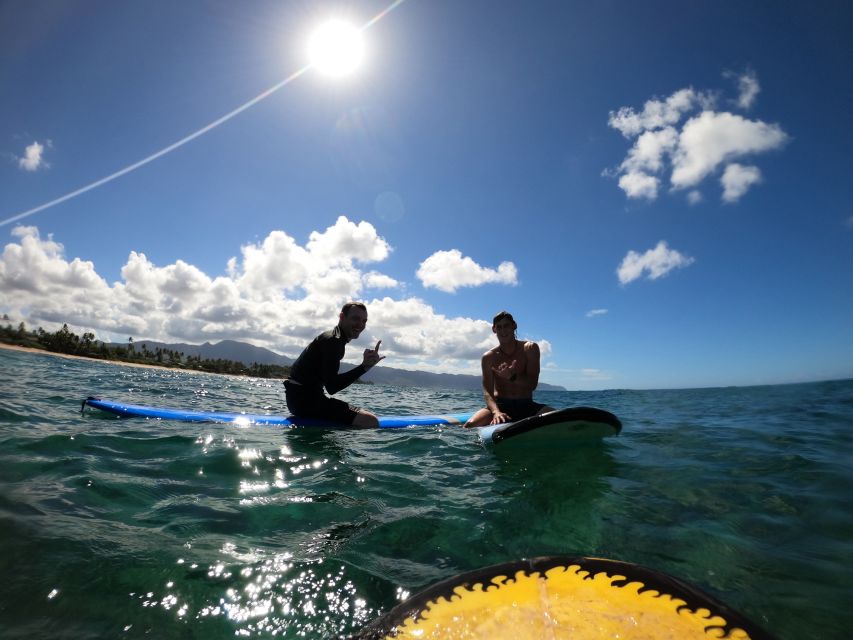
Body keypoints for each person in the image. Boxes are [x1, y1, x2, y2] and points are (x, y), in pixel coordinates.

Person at [284, 302, 384, 428]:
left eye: (364, 321)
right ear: (342, 317)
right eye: (355, 319)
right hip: (304, 401)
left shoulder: (334, 338)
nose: (360, 324)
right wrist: (364, 367)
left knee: (365, 414)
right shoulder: (333, 341)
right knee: (370, 421)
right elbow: (332, 387)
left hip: (301, 399)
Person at [464, 311, 554, 427]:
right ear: (494, 329)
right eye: (499, 327)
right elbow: (488, 392)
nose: (503, 331)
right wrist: (496, 412)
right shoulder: (488, 357)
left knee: (562, 420)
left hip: (527, 405)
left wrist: (512, 377)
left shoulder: (530, 349)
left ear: (514, 326)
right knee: (469, 425)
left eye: (506, 326)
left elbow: (533, 385)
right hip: (501, 406)